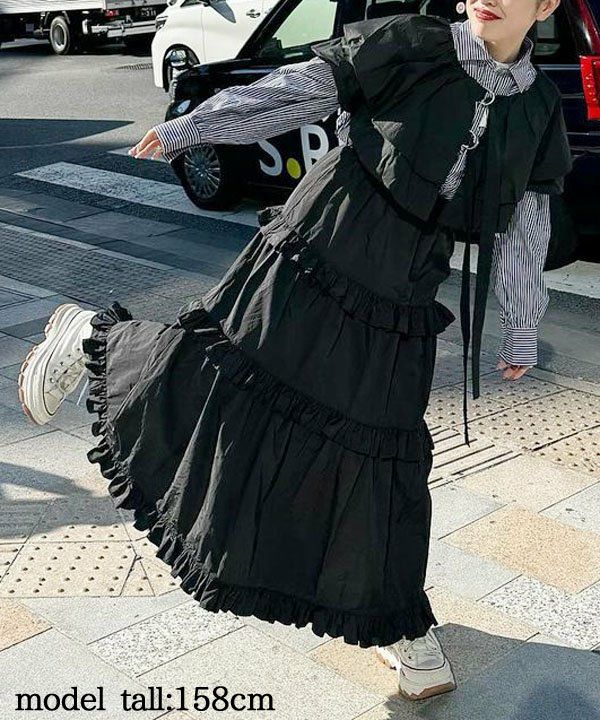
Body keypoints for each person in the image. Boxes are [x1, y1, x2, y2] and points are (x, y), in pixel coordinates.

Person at [17, 0, 571, 702]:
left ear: (546, 5)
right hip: (320, 244)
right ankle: (91, 338)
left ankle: (397, 621)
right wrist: (198, 124)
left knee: (386, 455)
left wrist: (522, 322)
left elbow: (527, 220)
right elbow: (302, 89)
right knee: (219, 381)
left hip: (404, 286)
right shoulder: (414, 43)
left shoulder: (538, 105)